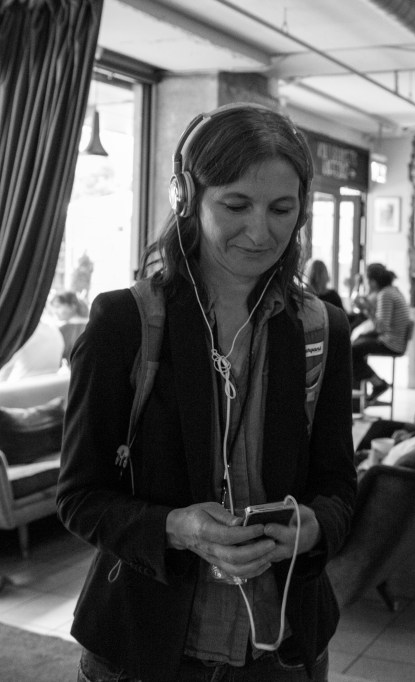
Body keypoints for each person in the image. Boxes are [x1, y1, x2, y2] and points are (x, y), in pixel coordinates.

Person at [56, 103, 357, 681]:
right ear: (186, 198)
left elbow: (339, 486)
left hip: (282, 648)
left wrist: (315, 526)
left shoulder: (322, 329)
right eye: (236, 205)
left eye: (282, 209)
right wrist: (177, 528)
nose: (261, 232)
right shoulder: (124, 323)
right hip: (145, 647)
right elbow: (79, 496)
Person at [350, 262, 411, 402]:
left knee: (351, 350)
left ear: (372, 281)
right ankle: (368, 390)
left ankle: (378, 384)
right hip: (394, 339)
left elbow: (381, 327)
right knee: (357, 343)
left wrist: (367, 309)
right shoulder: (392, 290)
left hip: (391, 342)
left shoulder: (385, 295)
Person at [0, 318, 64, 382]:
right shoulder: (56, 332)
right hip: (50, 385)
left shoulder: (23, 333)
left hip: (19, 385)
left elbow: (4, 372)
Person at [49, 290, 90, 363]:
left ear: (72, 306)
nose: (55, 311)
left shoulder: (63, 330)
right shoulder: (90, 325)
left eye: (58, 306)